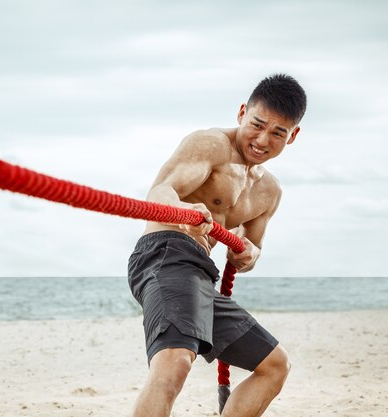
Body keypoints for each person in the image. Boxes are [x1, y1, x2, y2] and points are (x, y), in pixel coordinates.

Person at [127, 74, 307, 417]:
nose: (262, 139)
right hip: (166, 253)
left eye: (277, 133)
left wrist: (249, 254)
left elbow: (250, 252)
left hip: (201, 275)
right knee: (175, 361)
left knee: (274, 365)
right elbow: (161, 190)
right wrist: (183, 210)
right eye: (257, 124)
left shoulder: (269, 192)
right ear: (242, 112)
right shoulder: (210, 145)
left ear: (292, 136)